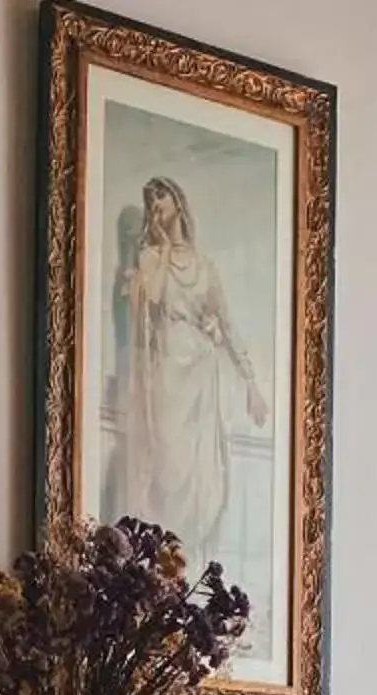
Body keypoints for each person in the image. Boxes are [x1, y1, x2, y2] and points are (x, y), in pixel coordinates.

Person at [110, 176, 268, 556]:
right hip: (166, 374)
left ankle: (188, 560)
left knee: (203, 478)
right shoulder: (149, 259)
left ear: (178, 202)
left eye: (160, 195)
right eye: (149, 200)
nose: (155, 203)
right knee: (166, 463)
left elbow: (226, 325)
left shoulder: (205, 266)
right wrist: (162, 250)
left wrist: (252, 384)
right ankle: (162, 558)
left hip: (201, 374)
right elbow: (154, 299)